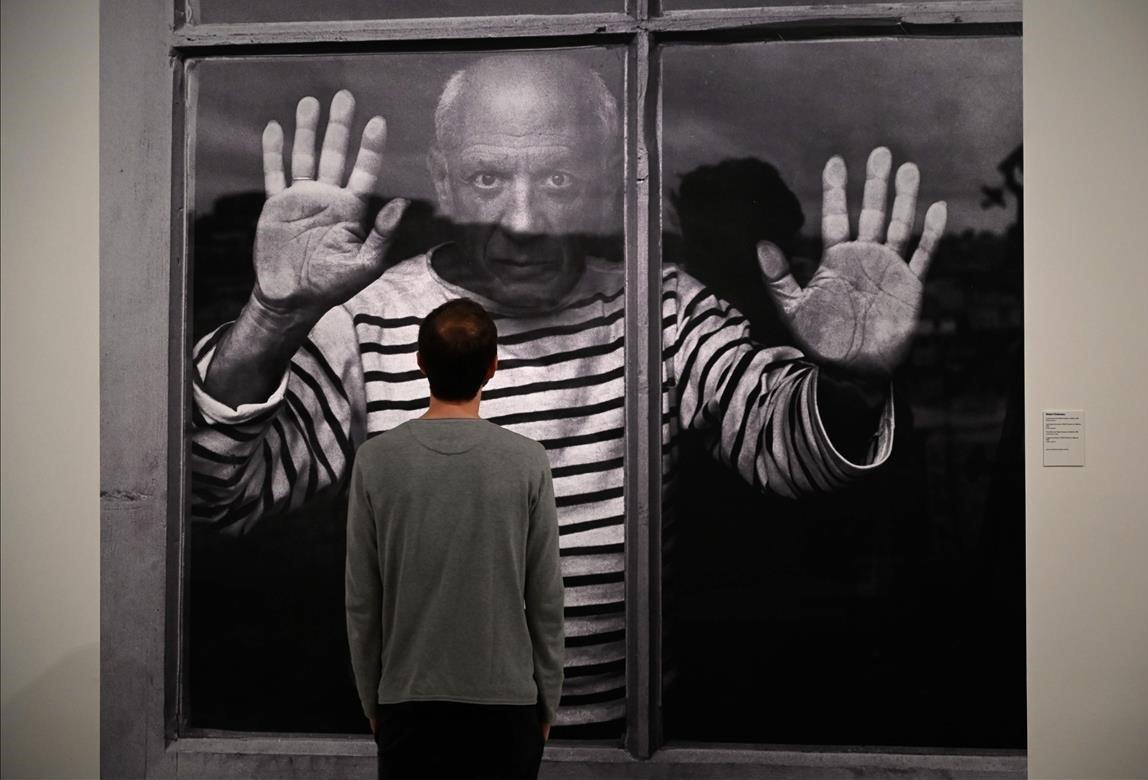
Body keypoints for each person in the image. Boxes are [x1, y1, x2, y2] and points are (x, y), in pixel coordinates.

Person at [191, 52, 947, 734]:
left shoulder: (666, 311)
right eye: (488, 178)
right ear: (443, 178)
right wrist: (271, 318)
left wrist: (853, 379)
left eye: (557, 180)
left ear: (605, 182)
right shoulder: (367, 322)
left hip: (627, 740)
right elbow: (216, 496)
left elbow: (789, 448)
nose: (521, 221)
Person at [345, 298, 563, 778]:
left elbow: (363, 601)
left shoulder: (376, 460)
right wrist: (547, 704)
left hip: (408, 702)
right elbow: (545, 599)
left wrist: (374, 703)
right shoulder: (527, 461)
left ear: (420, 362)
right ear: (493, 367)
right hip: (507, 706)